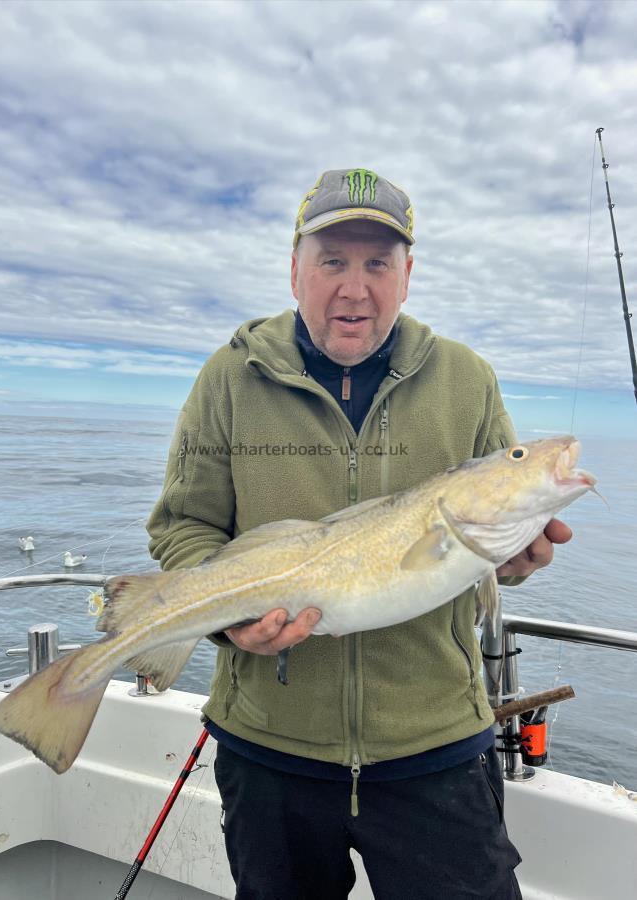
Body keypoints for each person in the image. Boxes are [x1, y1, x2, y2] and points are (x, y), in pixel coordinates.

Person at [147, 168, 572, 900]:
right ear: (294, 269)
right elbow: (184, 526)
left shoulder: (466, 379)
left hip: (433, 748)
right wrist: (230, 626)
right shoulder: (227, 379)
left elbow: (482, 544)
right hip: (269, 750)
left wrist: (514, 561)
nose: (354, 286)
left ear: (406, 276)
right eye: (332, 261)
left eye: (377, 262)